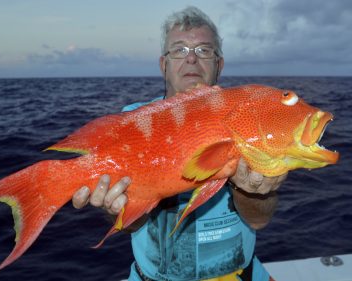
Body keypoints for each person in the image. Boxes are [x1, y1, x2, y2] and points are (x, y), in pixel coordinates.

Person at [72, 6, 287, 281]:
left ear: (219, 64)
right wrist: (114, 206)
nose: (192, 60)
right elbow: (133, 224)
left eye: (204, 50)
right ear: (164, 64)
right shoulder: (133, 121)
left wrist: (256, 189)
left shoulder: (247, 118)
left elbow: (259, 219)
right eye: (180, 50)